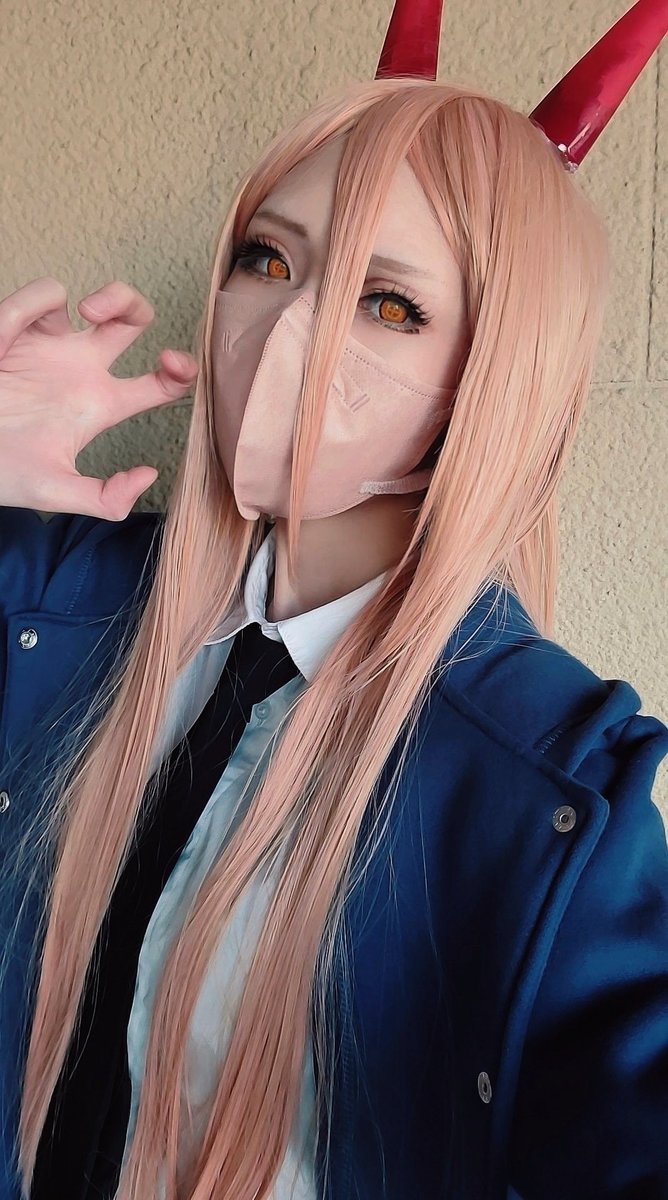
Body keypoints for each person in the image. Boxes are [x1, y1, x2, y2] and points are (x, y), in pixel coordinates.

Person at [1, 1, 667, 1198]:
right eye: (267, 258)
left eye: (387, 303)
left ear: (488, 376)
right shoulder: (55, 603)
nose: (286, 331)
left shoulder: (547, 781)